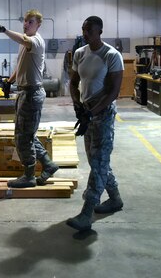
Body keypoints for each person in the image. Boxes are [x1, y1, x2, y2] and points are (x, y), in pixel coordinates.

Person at [0, 10, 59, 188]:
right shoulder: (25, 42)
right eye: (25, 21)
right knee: (26, 134)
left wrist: (3, 30)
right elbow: (20, 66)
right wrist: (8, 82)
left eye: (30, 22)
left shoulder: (34, 41)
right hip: (25, 92)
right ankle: (48, 165)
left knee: (22, 137)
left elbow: (24, 40)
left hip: (31, 94)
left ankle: (29, 176)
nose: (26, 24)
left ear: (38, 25)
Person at [66, 16, 124, 233]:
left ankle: (86, 212)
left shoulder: (111, 55)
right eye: (83, 29)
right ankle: (115, 199)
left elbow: (113, 92)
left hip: (103, 115)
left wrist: (93, 111)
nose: (85, 33)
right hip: (86, 114)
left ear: (100, 31)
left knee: (99, 162)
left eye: (89, 29)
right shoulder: (80, 53)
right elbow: (73, 82)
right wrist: (77, 105)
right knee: (96, 161)